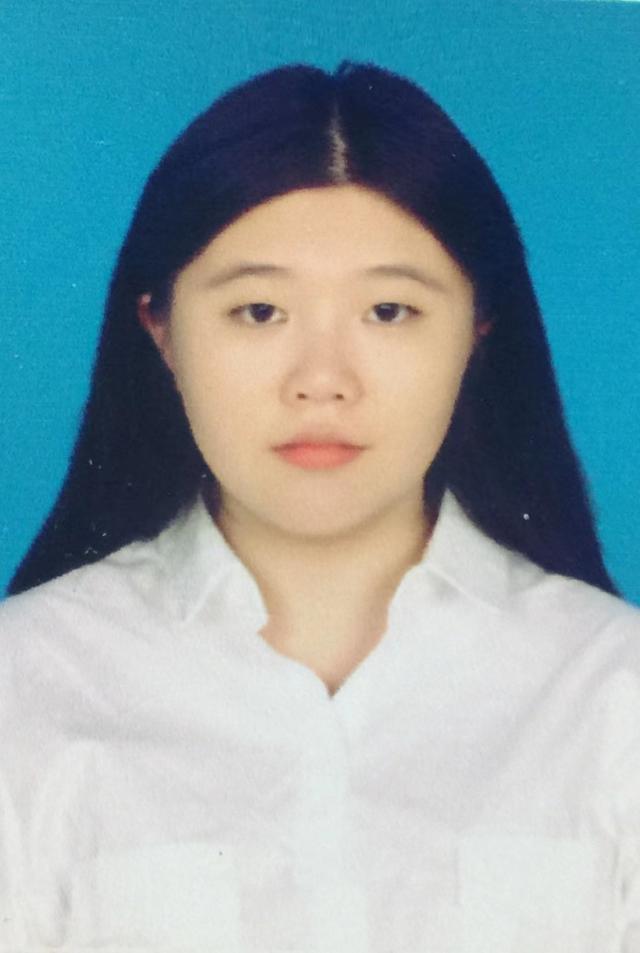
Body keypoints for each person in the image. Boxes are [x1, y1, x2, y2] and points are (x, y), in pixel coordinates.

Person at [0, 61, 638, 952]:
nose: (323, 380)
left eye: (390, 310)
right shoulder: (25, 684)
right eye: (260, 311)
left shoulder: (610, 692)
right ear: (162, 329)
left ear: (477, 329)